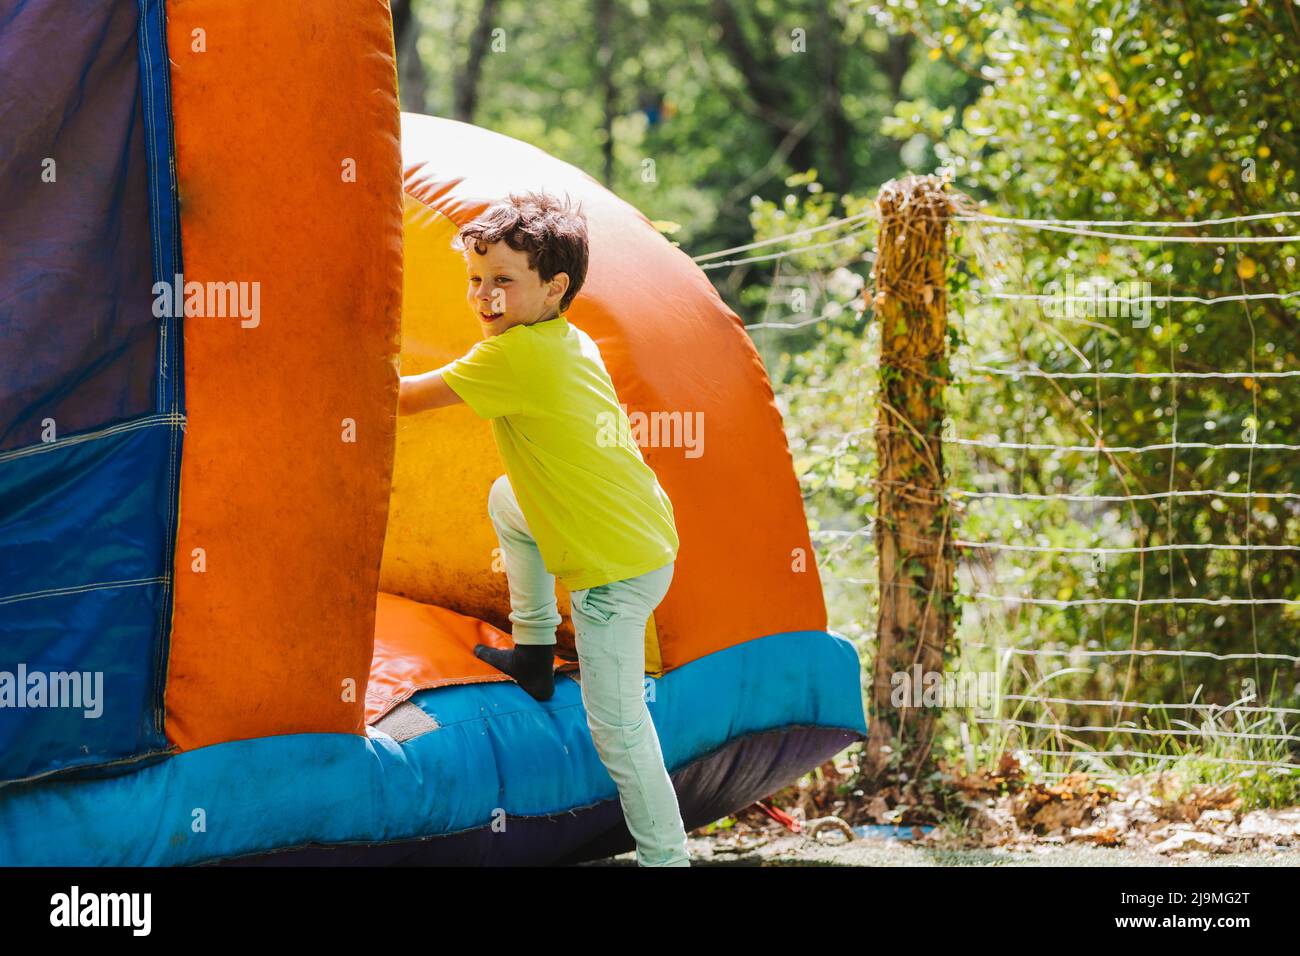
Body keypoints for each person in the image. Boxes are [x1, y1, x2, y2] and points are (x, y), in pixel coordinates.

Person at [396, 191, 690, 867]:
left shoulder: (515, 357)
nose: (483, 296)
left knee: (617, 728)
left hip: (612, 572)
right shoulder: (565, 336)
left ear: (553, 286)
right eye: (475, 279)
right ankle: (532, 653)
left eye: (503, 281)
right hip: (638, 532)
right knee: (508, 499)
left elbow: (404, 399)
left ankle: (666, 858)